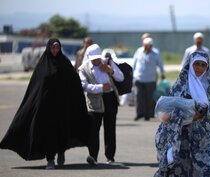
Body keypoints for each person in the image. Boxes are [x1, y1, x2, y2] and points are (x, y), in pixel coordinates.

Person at [0, 38, 89, 169]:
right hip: (47, 108)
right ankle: (50, 159)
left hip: (62, 107)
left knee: (62, 131)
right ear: (48, 48)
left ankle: (61, 152)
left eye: (57, 48)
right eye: (53, 48)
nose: (55, 50)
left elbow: (74, 80)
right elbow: (36, 87)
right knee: (49, 133)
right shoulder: (42, 66)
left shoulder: (64, 63)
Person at [78, 44, 124, 165]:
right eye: (93, 58)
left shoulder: (107, 62)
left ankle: (110, 156)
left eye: (97, 57)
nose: (96, 60)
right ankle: (93, 156)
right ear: (88, 57)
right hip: (94, 101)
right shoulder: (83, 68)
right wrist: (100, 88)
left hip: (110, 99)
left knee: (110, 128)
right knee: (93, 128)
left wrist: (110, 70)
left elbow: (121, 77)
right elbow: (84, 86)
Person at [132, 37, 165, 121]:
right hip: (139, 78)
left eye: (149, 46)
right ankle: (139, 113)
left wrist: (163, 73)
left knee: (149, 98)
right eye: (146, 46)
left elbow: (160, 64)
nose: (147, 47)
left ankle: (147, 115)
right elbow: (134, 62)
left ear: (151, 45)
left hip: (151, 79)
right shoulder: (139, 51)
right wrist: (132, 73)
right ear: (143, 45)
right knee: (139, 96)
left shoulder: (155, 53)